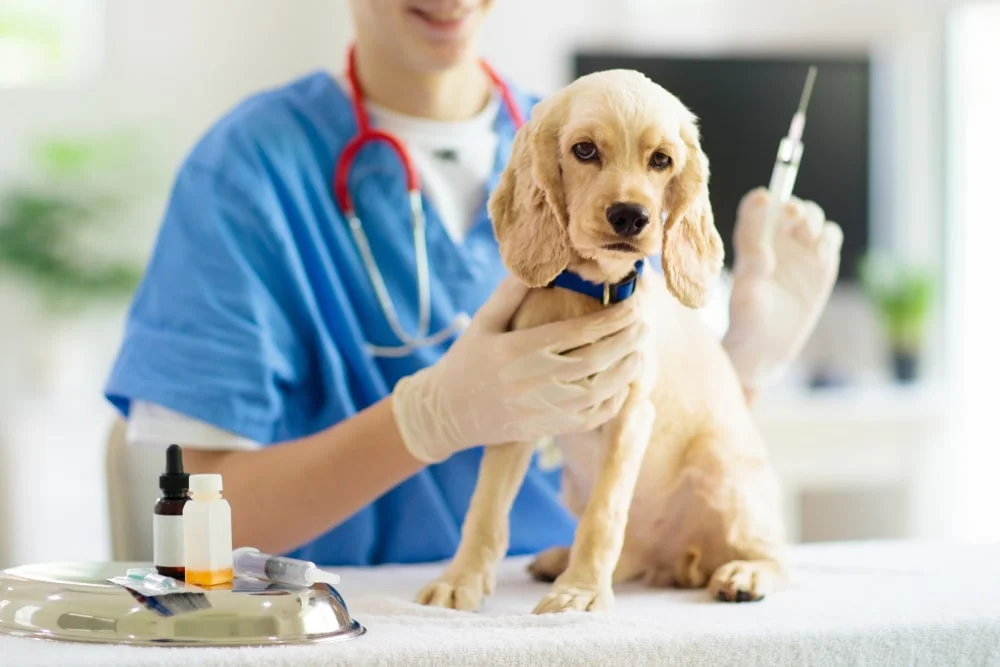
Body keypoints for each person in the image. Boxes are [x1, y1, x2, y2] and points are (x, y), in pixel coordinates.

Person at [104, 0, 842, 566]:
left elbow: (644, 443)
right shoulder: (247, 172)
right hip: (352, 622)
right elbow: (194, 523)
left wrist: (743, 363)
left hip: (560, 609)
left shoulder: (584, 137)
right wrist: (424, 419)